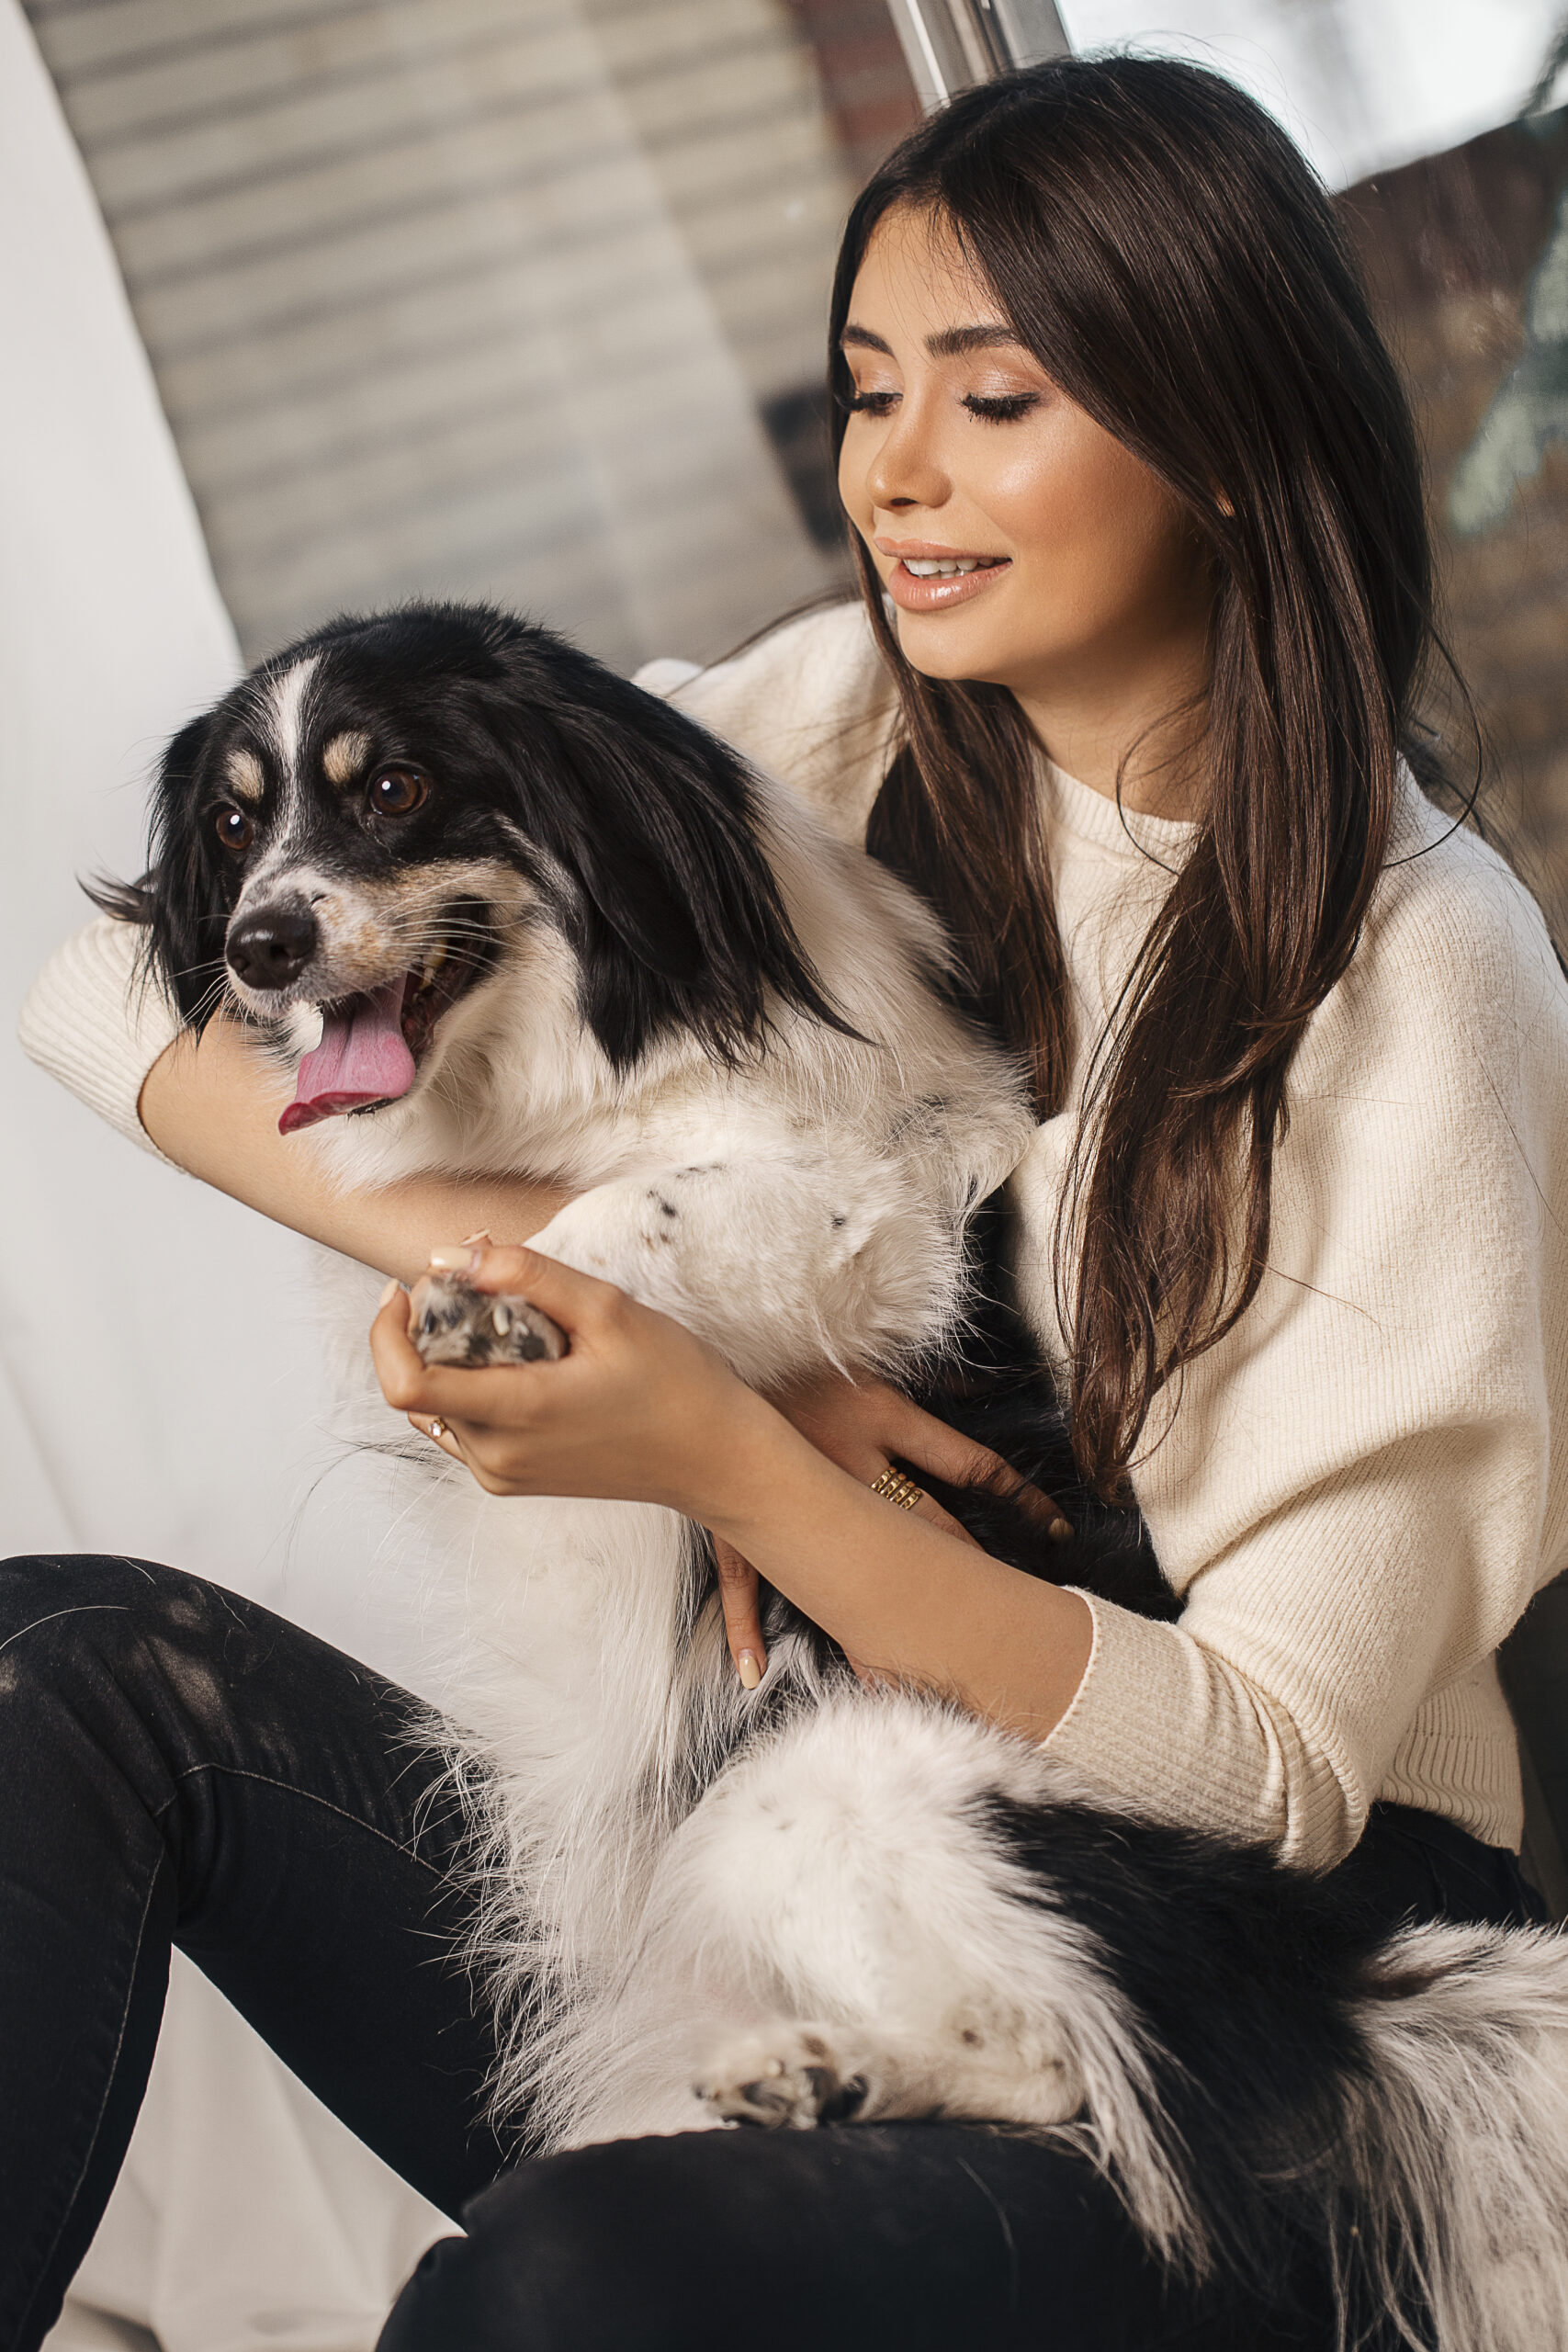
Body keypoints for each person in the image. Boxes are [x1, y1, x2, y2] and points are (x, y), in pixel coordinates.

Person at [8, 53, 1566, 2352]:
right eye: (865, 392)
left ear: (1224, 435)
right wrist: (592, 1309)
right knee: (62, 1671)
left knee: (560, 2290)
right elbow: (102, 980)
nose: (890, 472)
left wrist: (728, 1449)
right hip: (719, 1905)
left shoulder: (1412, 970)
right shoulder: (850, 713)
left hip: (1207, 2018)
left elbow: (1270, 1764)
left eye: (991, 394)